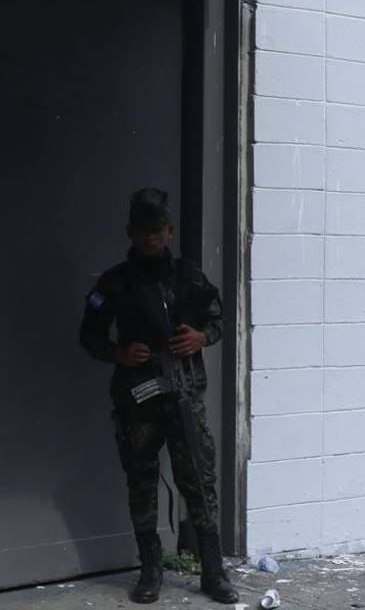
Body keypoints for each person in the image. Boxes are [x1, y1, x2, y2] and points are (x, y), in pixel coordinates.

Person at [79, 189, 238, 605]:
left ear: (169, 232)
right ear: (131, 234)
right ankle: (150, 570)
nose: (151, 238)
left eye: (158, 230)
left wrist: (201, 337)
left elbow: (217, 316)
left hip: (183, 392)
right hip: (139, 395)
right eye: (143, 231)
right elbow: (89, 334)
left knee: (199, 482)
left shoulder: (189, 277)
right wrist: (119, 352)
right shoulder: (114, 283)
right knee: (142, 479)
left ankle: (213, 571)